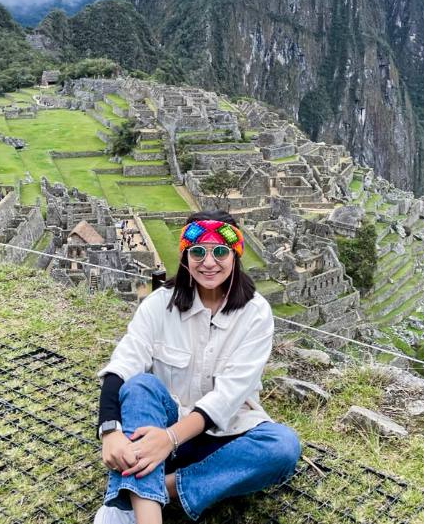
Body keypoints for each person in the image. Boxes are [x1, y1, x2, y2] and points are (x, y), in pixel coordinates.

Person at [95, 210, 300, 524]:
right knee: (139, 386)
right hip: (162, 426)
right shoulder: (158, 306)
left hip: (223, 435)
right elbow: (123, 363)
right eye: (198, 252)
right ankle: (144, 513)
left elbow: (227, 398)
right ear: (185, 257)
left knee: (282, 447)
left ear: (235, 256)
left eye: (220, 251)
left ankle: (152, 488)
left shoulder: (255, 314)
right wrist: (109, 430)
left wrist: (170, 440)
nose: (208, 262)